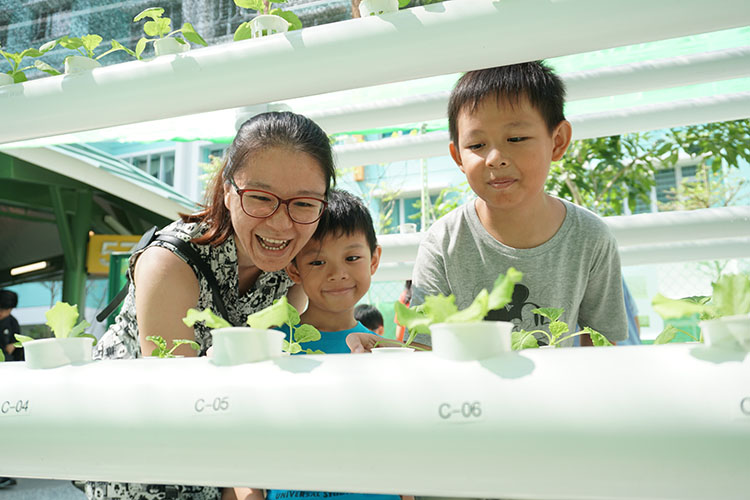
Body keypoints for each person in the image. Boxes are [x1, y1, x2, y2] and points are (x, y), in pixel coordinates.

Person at [86, 111, 336, 500]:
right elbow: (180, 401)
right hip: (144, 451)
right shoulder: (170, 263)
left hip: (232, 450)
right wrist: (244, 483)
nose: (280, 225)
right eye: (259, 198)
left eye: (303, 204)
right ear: (226, 190)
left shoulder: (296, 268)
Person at [411, 62, 627, 346]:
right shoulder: (443, 242)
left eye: (516, 138)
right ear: (458, 156)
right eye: (476, 145)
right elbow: (422, 347)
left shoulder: (590, 238)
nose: (495, 158)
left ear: (558, 141)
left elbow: (601, 344)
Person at [231, 190, 402, 500]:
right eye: (318, 261)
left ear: (374, 259)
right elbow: (242, 434)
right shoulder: (271, 345)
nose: (338, 273)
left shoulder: (387, 350)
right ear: (294, 269)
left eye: (352, 258)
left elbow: (402, 441)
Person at [0, 289, 22, 362]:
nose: (1, 313)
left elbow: (17, 342)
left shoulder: (13, 323)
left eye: (5, 309)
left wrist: (14, 345)